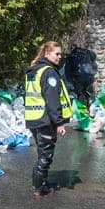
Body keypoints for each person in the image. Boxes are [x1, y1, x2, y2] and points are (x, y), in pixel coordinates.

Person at [24, 40, 73, 197]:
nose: (60, 57)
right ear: (47, 54)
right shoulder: (49, 72)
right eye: (57, 54)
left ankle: (39, 183)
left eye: (61, 54)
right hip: (45, 120)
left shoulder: (34, 70)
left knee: (42, 154)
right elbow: (52, 99)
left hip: (34, 118)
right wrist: (59, 123)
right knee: (46, 156)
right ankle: (39, 188)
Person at [63, 44, 98, 109]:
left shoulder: (72, 56)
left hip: (75, 79)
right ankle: (87, 109)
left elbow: (67, 70)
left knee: (76, 96)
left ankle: (79, 110)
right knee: (87, 95)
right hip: (87, 79)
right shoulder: (88, 54)